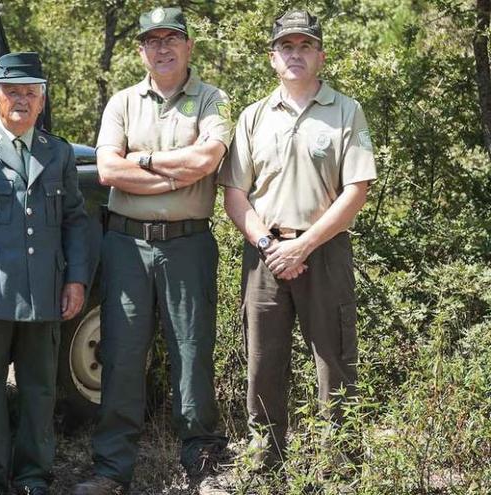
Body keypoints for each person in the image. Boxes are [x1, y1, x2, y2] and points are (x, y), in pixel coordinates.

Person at [73, 7, 232, 494]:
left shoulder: (212, 99)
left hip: (188, 244)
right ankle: (111, 469)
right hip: (126, 245)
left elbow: (207, 160)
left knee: (192, 352)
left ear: (188, 46)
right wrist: (170, 169)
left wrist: (139, 160)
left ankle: (202, 465)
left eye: (171, 39)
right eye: (152, 41)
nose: (162, 49)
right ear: (140, 50)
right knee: (120, 353)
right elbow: (107, 172)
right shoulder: (122, 103)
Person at [218, 10, 376, 469]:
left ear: (320, 56)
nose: (295, 54)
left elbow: (356, 191)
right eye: (286, 47)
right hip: (265, 255)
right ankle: (264, 462)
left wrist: (302, 247)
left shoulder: (345, 111)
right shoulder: (253, 117)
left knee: (334, 361)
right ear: (273, 58)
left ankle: (339, 467)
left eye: (305, 46)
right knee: (263, 364)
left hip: (323, 252)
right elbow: (234, 194)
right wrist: (271, 246)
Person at [0, 52, 90, 495]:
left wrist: (76, 279)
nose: (21, 100)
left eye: (30, 92)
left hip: (44, 290)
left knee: (40, 392)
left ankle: (32, 477)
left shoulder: (58, 152)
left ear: (42, 101)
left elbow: (75, 221)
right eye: (12, 92)